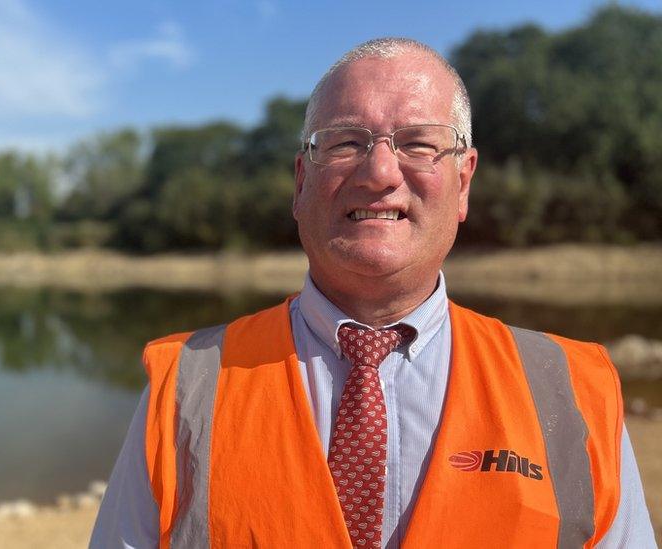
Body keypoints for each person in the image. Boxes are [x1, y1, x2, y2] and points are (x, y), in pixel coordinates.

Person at [90, 38, 655, 548]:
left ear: (464, 181)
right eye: (344, 143)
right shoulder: (185, 386)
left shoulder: (575, 390)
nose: (380, 171)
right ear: (301, 182)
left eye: (418, 143)